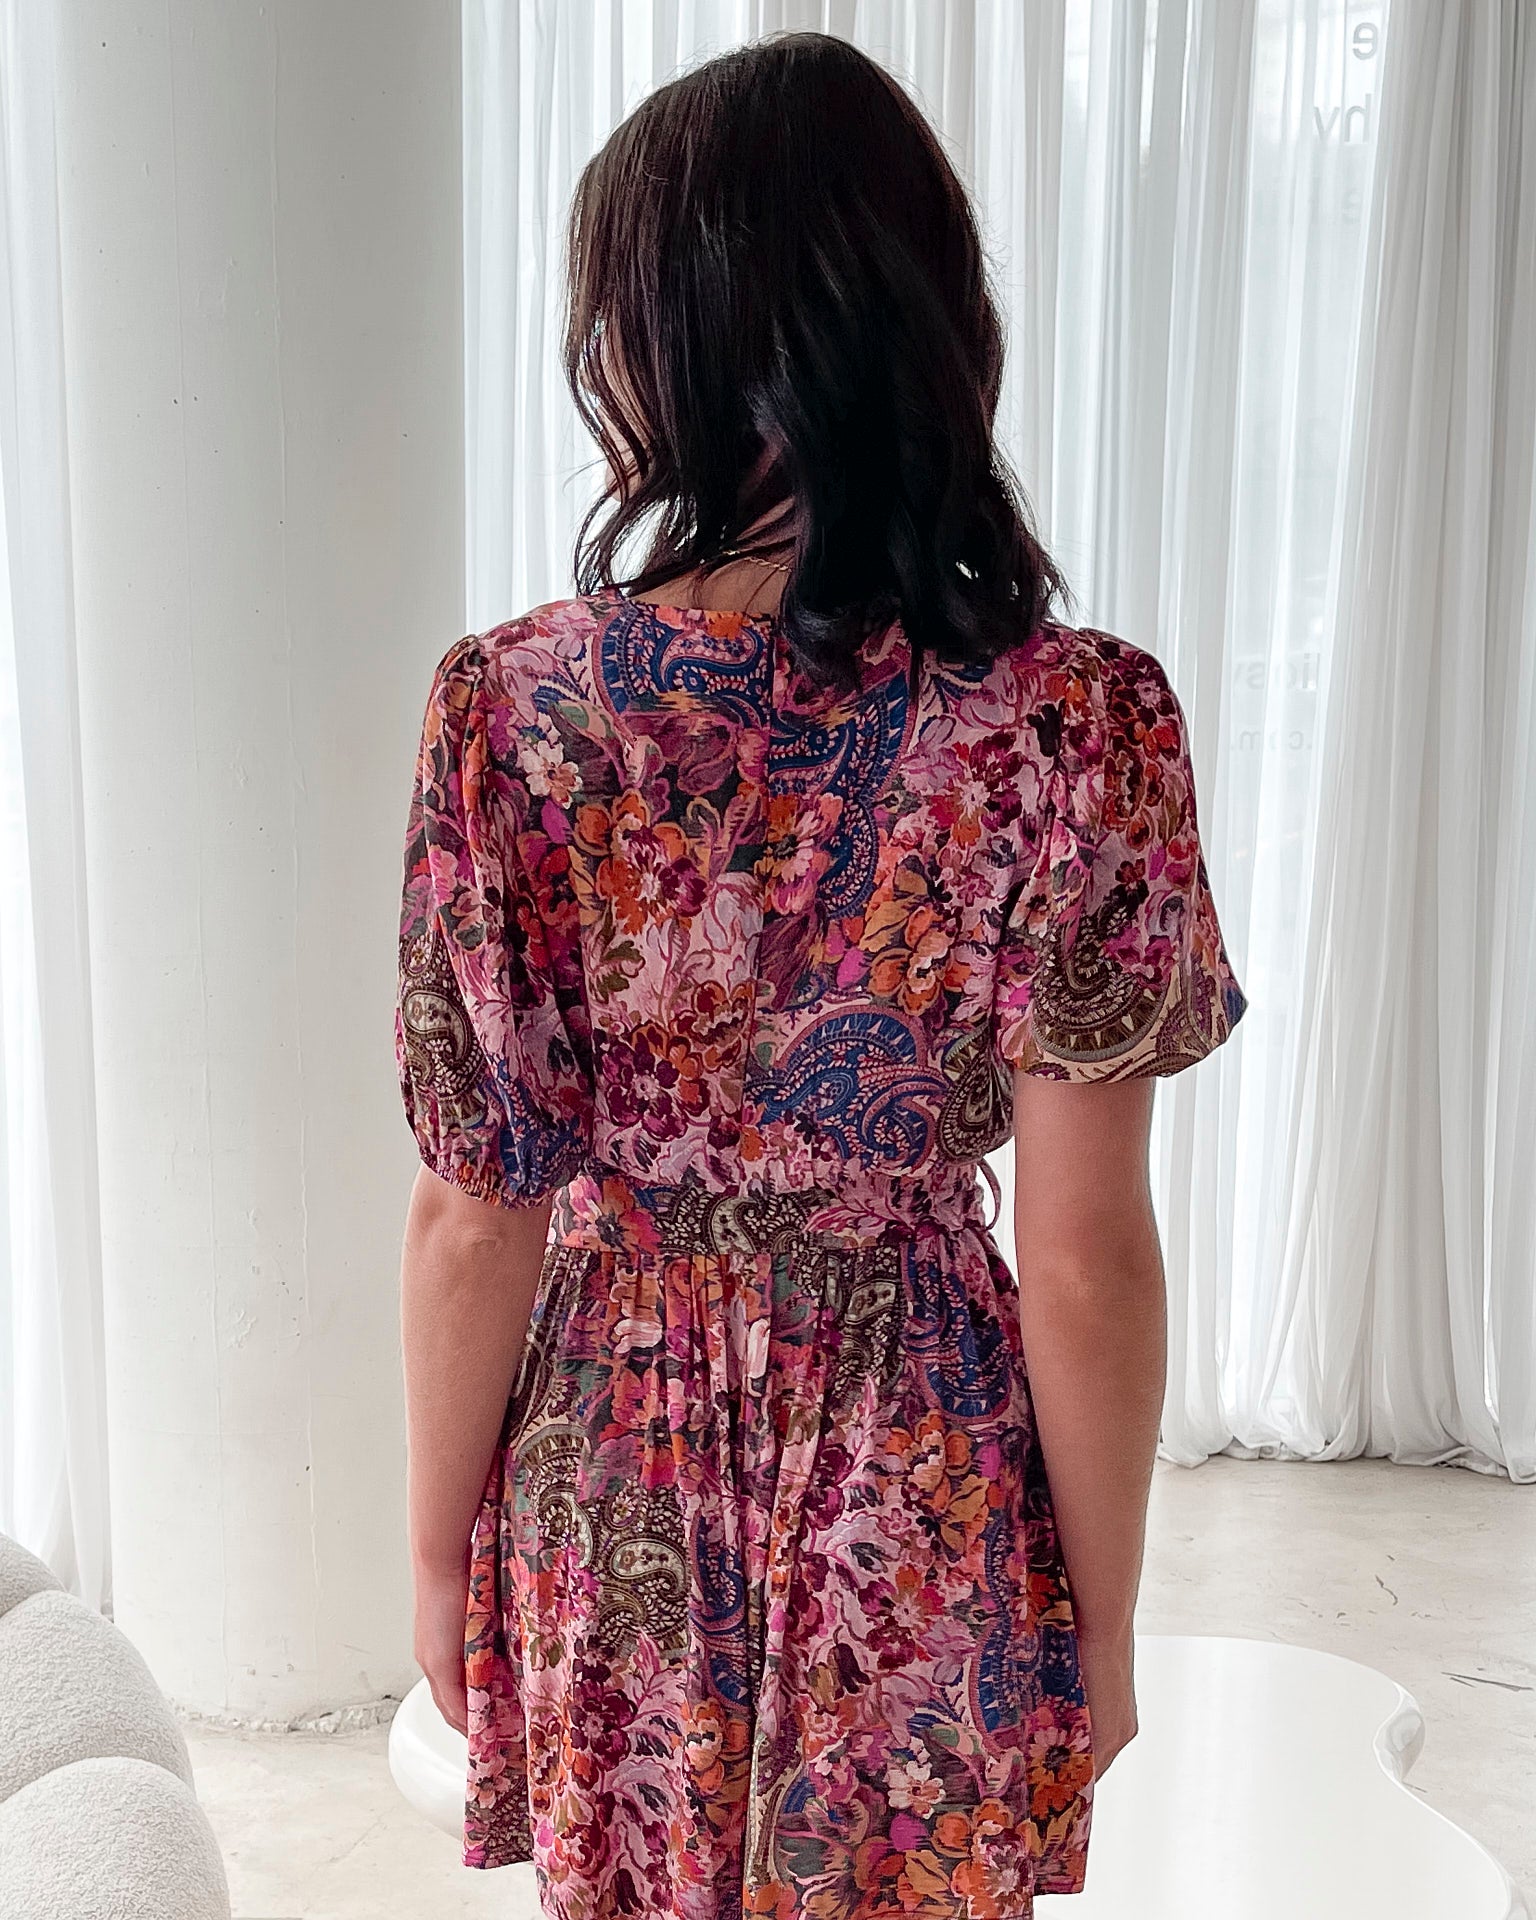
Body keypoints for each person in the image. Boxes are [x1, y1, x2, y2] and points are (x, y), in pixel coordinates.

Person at [395, 29, 1246, 1920]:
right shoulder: (1076, 726)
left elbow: (475, 1205)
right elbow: (1091, 1249)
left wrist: (445, 1554)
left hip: (615, 1436)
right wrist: (1101, 1617)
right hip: (917, 1453)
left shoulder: (515, 710)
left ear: (670, 336)